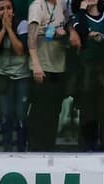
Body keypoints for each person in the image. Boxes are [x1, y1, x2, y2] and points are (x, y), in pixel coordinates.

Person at [70, 0, 104, 151]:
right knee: (88, 112)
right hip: (87, 70)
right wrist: (82, 12)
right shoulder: (79, 17)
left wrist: (102, 39)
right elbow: (80, 30)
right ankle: (86, 148)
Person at [0, 0, 30, 152]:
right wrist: (3, 30)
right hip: (3, 76)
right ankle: (6, 150)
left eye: (8, 8)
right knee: (5, 115)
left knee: (21, 115)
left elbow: (20, 50)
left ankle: (21, 149)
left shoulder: (22, 24)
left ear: (13, 10)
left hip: (22, 76)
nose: (5, 11)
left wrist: (10, 29)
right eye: (2, 9)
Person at [26, 0, 69, 151]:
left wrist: (63, 34)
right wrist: (36, 65)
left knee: (54, 112)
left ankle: (49, 148)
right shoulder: (37, 6)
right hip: (42, 67)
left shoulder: (62, 5)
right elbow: (31, 37)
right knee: (40, 113)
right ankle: (35, 149)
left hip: (58, 66)